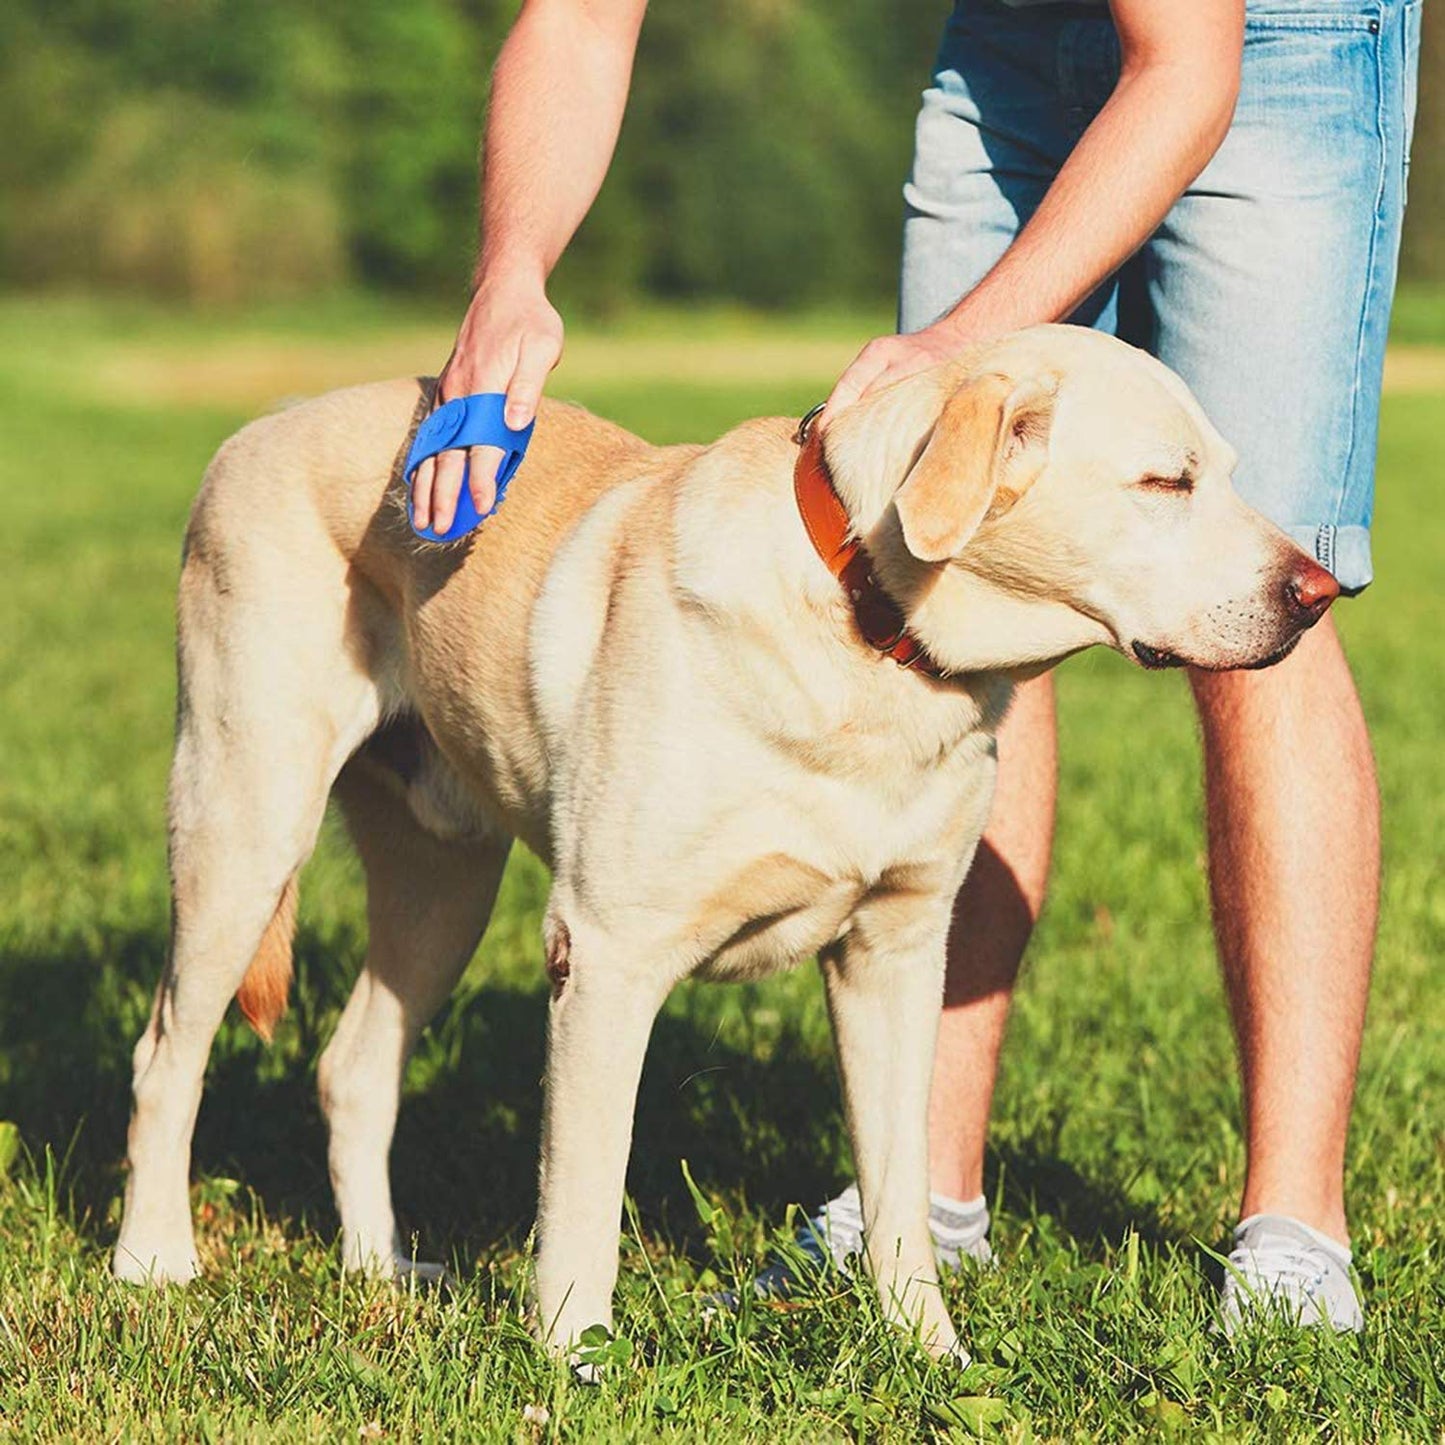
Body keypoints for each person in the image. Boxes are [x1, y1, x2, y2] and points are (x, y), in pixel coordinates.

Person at [417, 0, 1420, 1330]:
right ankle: (925, 1205)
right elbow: (583, 21)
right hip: (1010, 42)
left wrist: (960, 353)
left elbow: (1185, 68)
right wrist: (511, 274)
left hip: (1264, 41)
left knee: (1254, 604)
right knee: (951, 547)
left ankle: (1292, 1230)